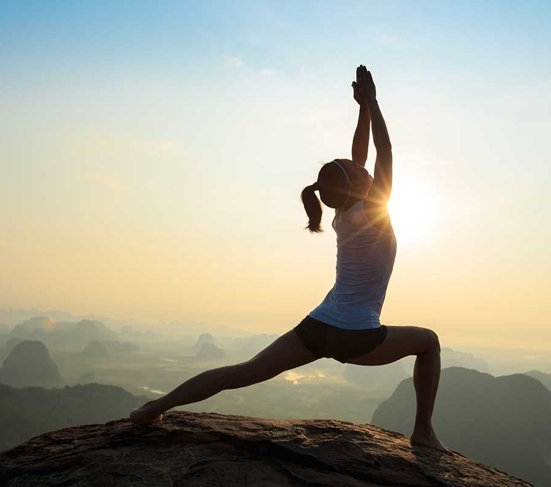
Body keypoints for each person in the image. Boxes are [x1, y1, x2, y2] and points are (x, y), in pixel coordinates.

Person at [130, 65, 448, 452]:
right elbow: (385, 150)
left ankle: (156, 406)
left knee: (242, 372)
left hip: (317, 326)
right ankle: (424, 432)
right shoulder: (374, 213)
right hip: (357, 335)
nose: (356, 164)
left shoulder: (344, 214)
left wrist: (362, 108)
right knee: (428, 342)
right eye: (352, 169)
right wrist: (375, 102)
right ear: (358, 185)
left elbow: (360, 156)